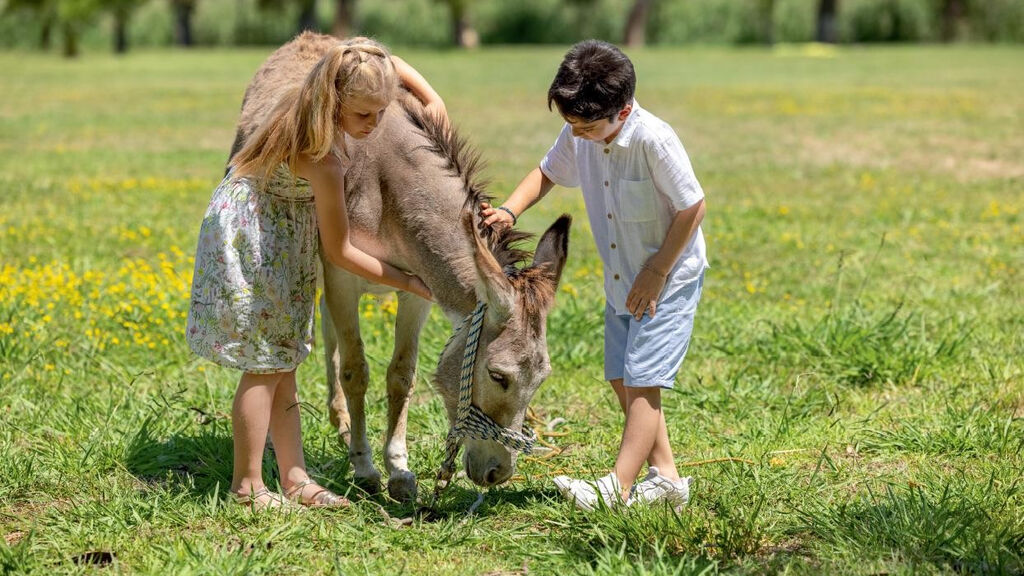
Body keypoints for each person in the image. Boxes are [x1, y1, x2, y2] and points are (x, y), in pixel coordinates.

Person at [187, 37, 442, 510]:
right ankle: (246, 487)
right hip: (258, 242)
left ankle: (295, 478)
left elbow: (386, 64)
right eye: (365, 115)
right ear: (337, 100)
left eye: (383, 112)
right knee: (264, 367)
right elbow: (341, 251)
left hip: (278, 237)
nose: (375, 125)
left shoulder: (318, 91)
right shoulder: (322, 157)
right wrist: (406, 281)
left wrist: (431, 97)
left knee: (284, 364)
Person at [479, 40, 708, 511]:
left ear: (622, 111)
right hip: (621, 279)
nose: (576, 134)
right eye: (569, 123)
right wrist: (508, 210)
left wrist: (658, 270)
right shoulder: (579, 133)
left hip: (666, 279)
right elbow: (546, 172)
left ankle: (616, 488)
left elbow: (692, 206)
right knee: (621, 377)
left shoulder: (653, 139)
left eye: (585, 125)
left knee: (644, 380)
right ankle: (666, 480)